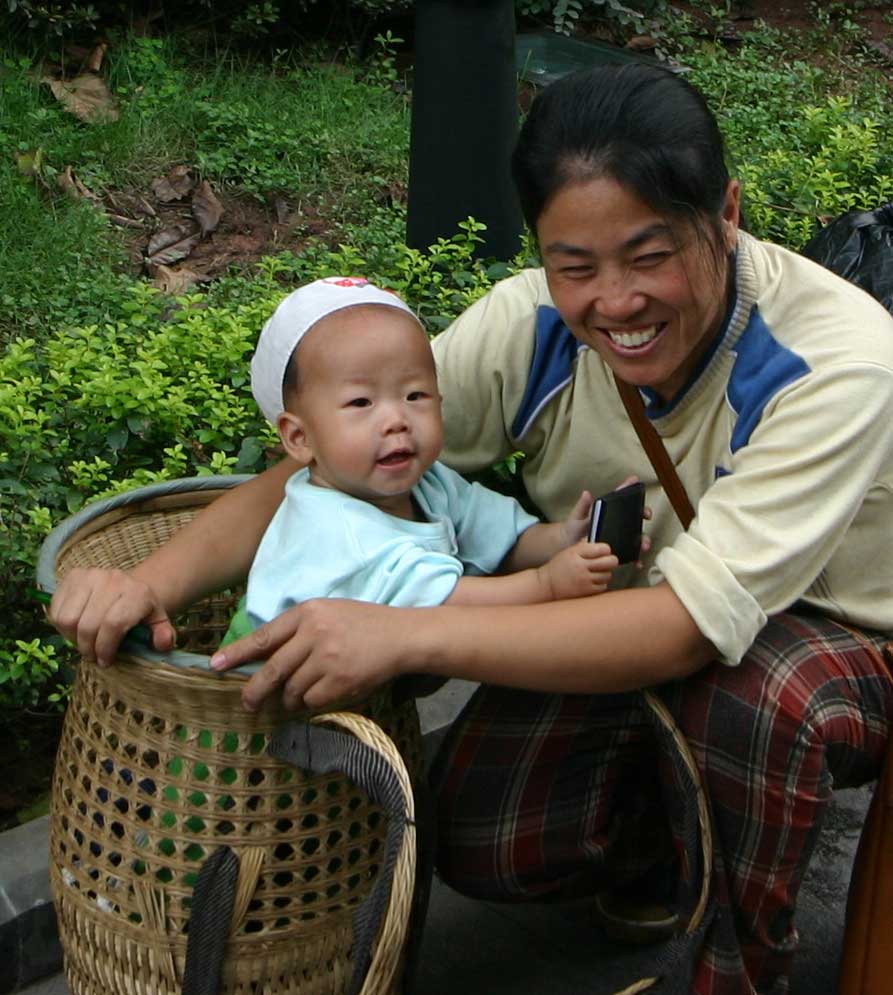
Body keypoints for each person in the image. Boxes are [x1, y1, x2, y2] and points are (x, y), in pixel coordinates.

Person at [50, 62, 893, 995]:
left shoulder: (833, 361)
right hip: (636, 611)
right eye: (575, 266)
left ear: (725, 212)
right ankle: (663, 845)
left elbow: (686, 628)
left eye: (649, 257)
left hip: (844, 637)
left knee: (754, 691)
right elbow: (321, 470)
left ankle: (733, 970)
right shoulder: (527, 325)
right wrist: (149, 586)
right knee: (487, 835)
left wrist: (401, 630)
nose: (613, 303)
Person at [223, 274, 619, 645]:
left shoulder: (430, 483)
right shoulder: (340, 534)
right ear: (300, 436)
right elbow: (447, 608)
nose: (397, 420)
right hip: (261, 688)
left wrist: (564, 538)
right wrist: (547, 584)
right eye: (361, 402)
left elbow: (501, 536)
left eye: (415, 396)